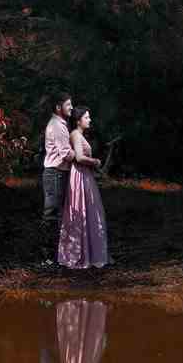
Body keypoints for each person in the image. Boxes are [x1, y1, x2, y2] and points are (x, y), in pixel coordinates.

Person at [58, 107, 110, 269]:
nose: (90, 120)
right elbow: (79, 157)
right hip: (80, 176)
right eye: (87, 117)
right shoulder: (75, 134)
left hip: (85, 176)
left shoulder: (79, 135)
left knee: (91, 211)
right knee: (82, 212)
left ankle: (91, 252)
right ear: (78, 120)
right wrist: (95, 161)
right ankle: (79, 254)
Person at [42, 93, 75, 224]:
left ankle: (53, 242)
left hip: (57, 173)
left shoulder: (60, 124)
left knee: (57, 212)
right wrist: (80, 155)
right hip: (56, 173)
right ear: (58, 107)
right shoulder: (57, 125)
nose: (71, 107)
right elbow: (66, 154)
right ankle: (48, 243)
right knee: (53, 214)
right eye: (68, 104)